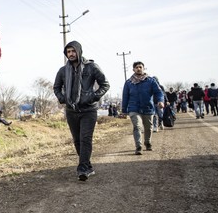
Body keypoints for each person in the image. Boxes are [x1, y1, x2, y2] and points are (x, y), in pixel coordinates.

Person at [54, 40, 110, 180]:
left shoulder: (91, 67)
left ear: (79, 51)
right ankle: (87, 165)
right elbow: (56, 88)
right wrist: (63, 98)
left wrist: (93, 97)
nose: (71, 54)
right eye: (68, 52)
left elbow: (105, 84)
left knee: (85, 138)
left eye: (73, 51)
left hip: (88, 110)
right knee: (77, 140)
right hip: (71, 110)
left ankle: (83, 169)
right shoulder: (63, 71)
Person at [121, 61, 165, 155]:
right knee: (137, 126)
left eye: (140, 67)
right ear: (133, 69)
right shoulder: (129, 83)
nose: (138, 69)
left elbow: (158, 92)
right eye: (136, 67)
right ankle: (138, 147)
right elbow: (125, 96)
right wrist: (124, 110)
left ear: (143, 68)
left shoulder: (151, 81)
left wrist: (160, 101)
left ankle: (147, 143)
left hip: (148, 107)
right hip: (134, 108)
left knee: (148, 127)